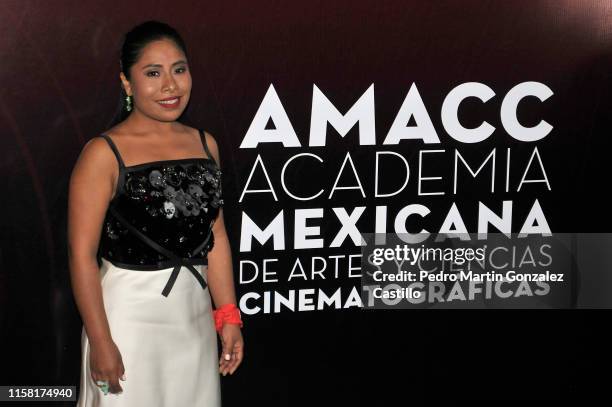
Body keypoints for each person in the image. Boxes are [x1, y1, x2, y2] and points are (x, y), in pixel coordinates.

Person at [68, 21, 244, 406]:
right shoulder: (103, 153)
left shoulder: (205, 144)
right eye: (153, 73)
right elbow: (81, 256)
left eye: (179, 70)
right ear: (127, 83)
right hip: (127, 321)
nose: (170, 85)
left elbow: (216, 237)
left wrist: (227, 315)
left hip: (194, 318)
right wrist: (101, 341)